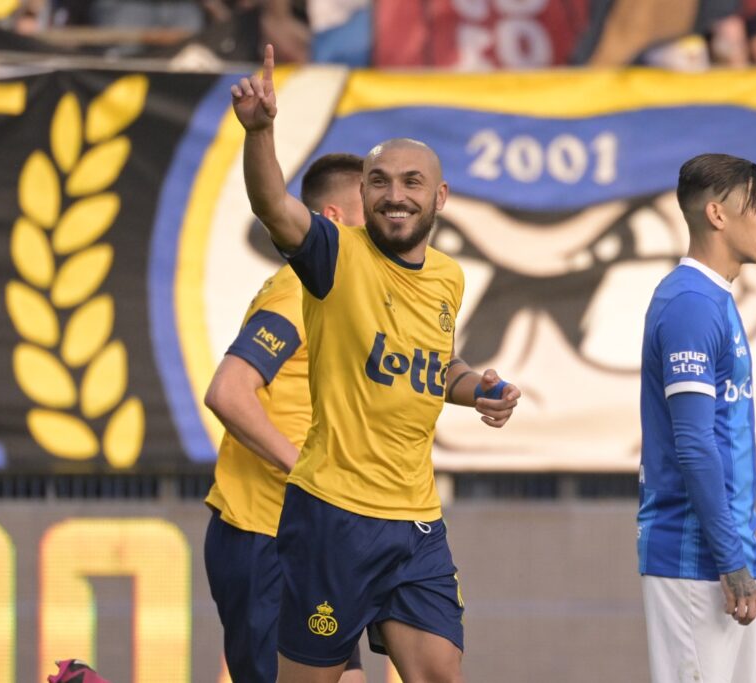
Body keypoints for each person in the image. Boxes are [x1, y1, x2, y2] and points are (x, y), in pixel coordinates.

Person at [231, 45, 521, 683]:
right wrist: (261, 133)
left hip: (416, 520)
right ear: (362, 194)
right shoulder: (335, 255)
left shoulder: (448, 277)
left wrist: (480, 390)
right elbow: (273, 207)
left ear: (439, 196)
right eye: (380, 182)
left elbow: (439, 367)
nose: (395, 195)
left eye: (411, 182)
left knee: (440, 672)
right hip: (333, 516)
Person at [203, 152, 367, 683]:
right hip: (264, 535)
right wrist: (305, 472)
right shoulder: (297, 292)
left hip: (314, 539)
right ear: (335, 221)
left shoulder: (349, 295)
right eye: (374, 211)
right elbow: (228, 392)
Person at [637, 153, 756, 683]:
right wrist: (731, 559)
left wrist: (747, 553)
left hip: (721, 556)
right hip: (694, 561)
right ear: (718, 215)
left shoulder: (713, 299)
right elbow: (694, 445)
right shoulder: (690, 303)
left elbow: (722, 440)